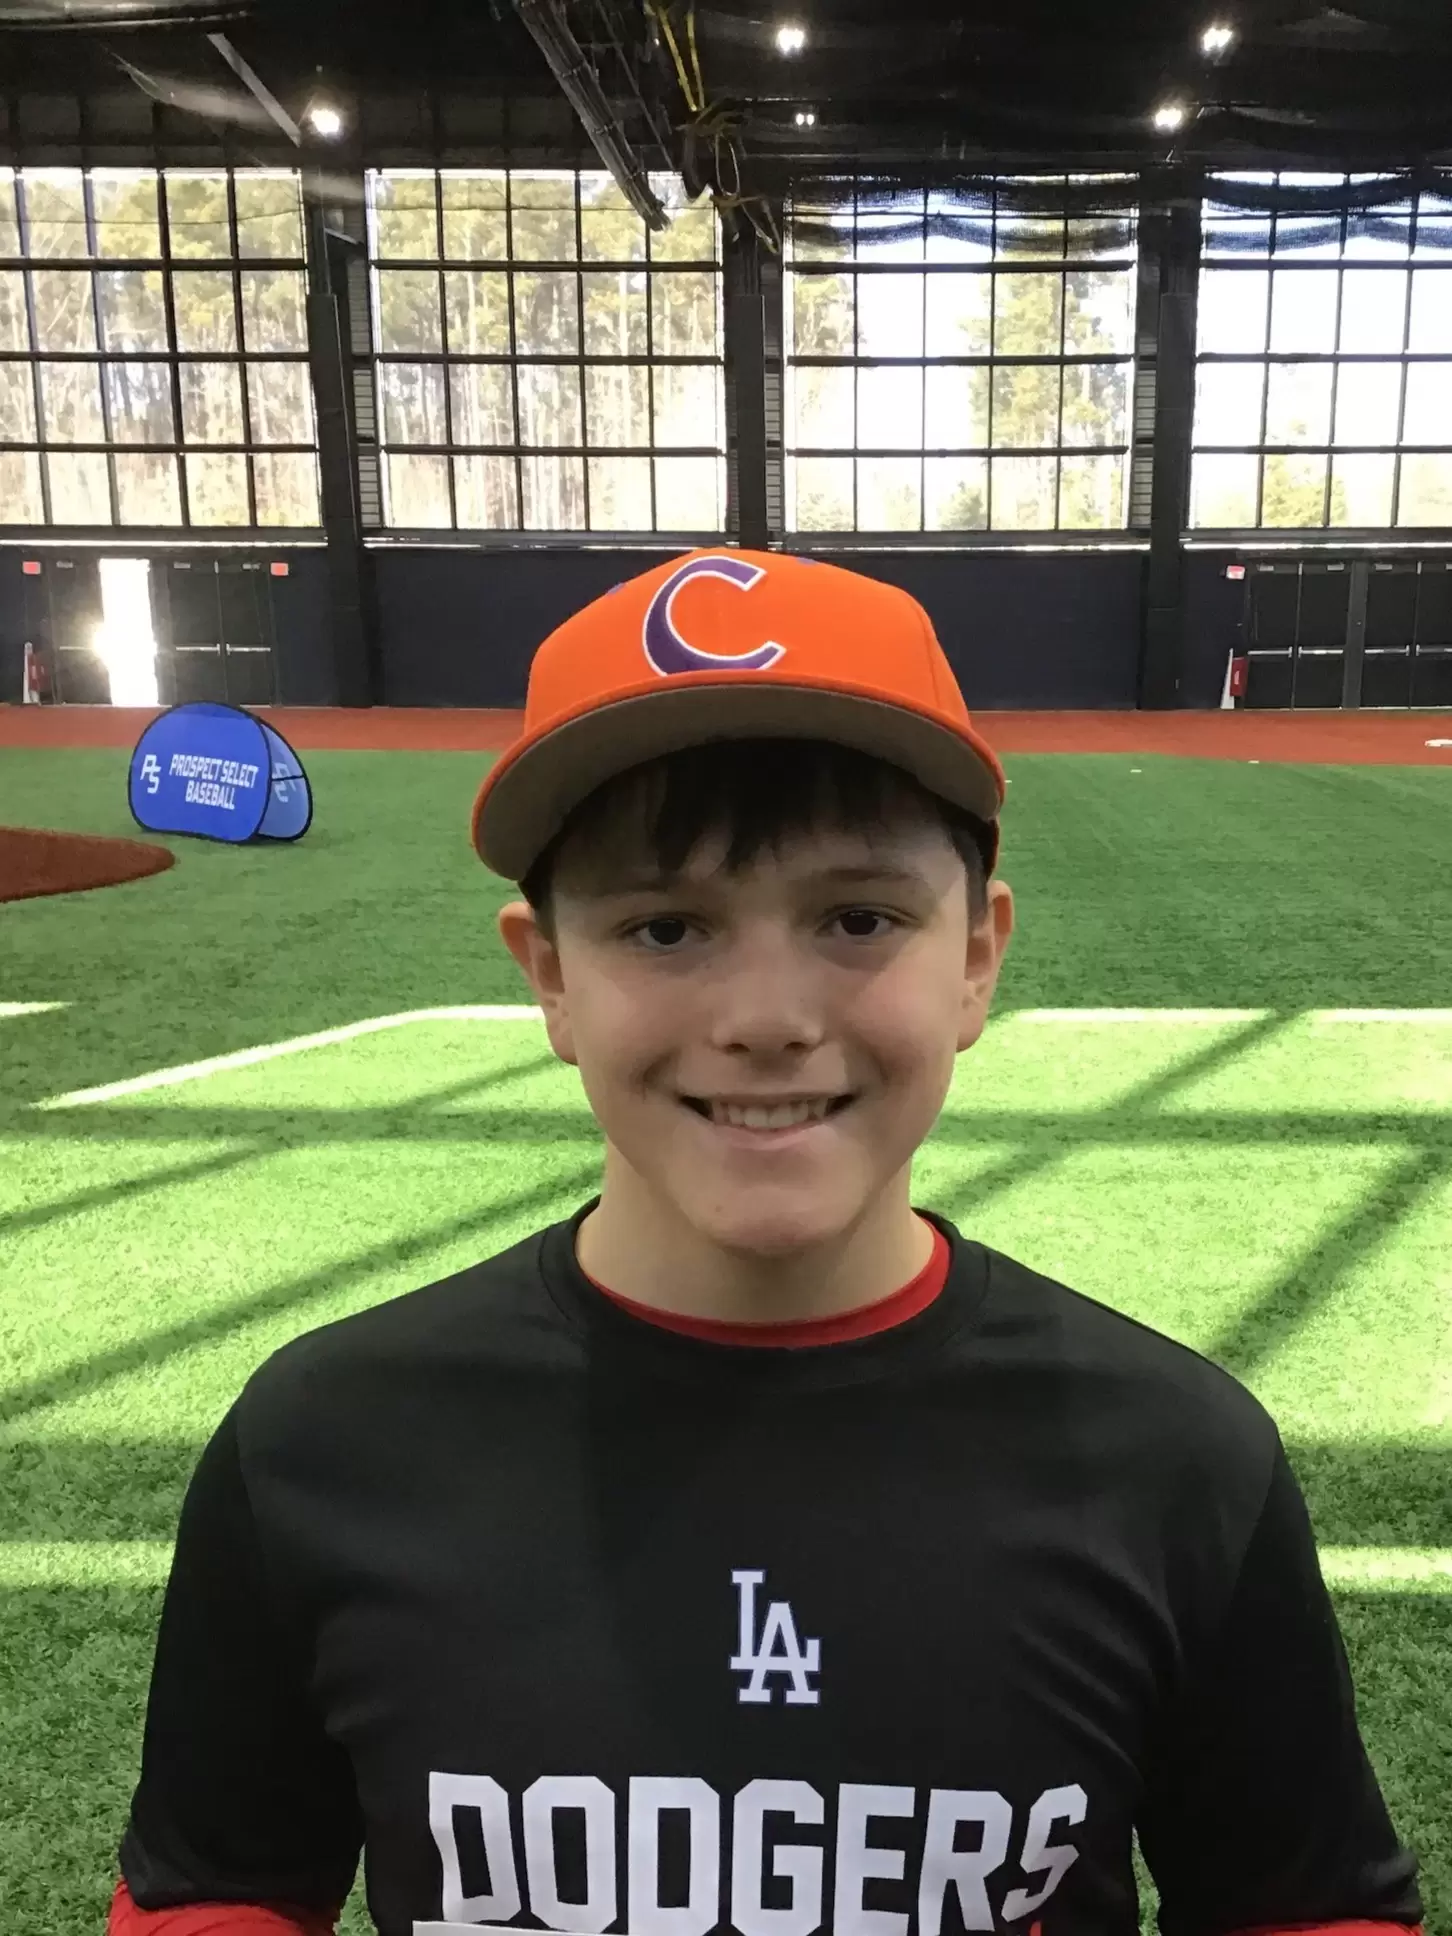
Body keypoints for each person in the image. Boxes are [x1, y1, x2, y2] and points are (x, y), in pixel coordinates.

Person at [110, 550, 1423, 1936]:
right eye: (664, 927)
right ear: (549, 976)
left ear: (976, 957)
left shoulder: (1171, 1460)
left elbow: (1306, 1907)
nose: (766, 1018)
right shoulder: (326, 1445)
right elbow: (223, 1890)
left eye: (858, 919)